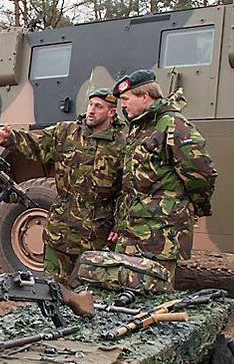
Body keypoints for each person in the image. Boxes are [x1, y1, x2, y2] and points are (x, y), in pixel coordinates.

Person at [75, 70, 216, 291]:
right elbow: (131, 185)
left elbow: (201, 174)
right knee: (128, 298)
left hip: (160, 235)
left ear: (145, 97)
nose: (123, 106)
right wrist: (121, 224)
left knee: (155, 298)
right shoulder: (139, 128)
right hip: (133, 232)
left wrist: (188, 208)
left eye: (126, 99)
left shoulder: (173, 125)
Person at [0, 87, 127, 281]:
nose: (91, 110)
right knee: (51, 288)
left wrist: (119, 225)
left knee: (86, 292)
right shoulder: (67, 132)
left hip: (95, 234)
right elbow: (38, 143)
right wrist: (11, 139)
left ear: (112, 112)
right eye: (90, 104)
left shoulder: (121, 144)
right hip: (61, 229)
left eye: (99, 106)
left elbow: (126, 190)